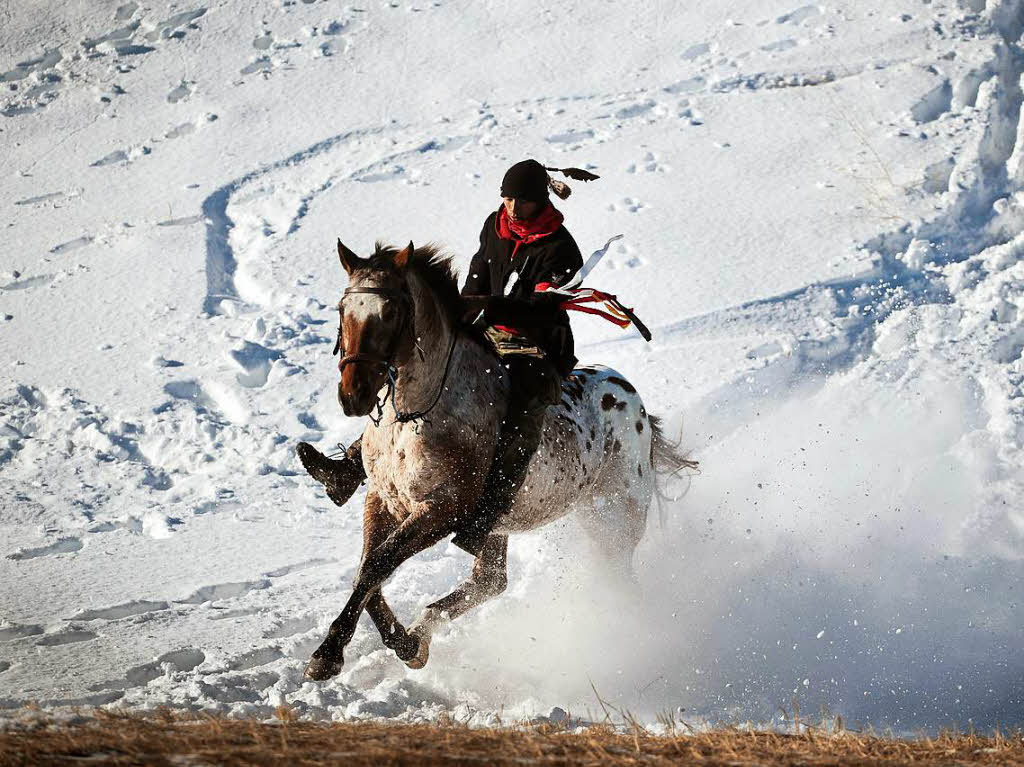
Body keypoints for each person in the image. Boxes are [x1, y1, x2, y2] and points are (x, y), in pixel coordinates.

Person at [297, 159, 591, 554]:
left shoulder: (561, 248)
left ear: (540, 202)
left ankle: (488, 510)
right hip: (486, 329)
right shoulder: (496, 225)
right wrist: (463, 307)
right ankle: (350, 468)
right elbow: (478, 271)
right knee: (416, 370)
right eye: (506, 199)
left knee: (523, 410)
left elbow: (545, 309)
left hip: (536, 346)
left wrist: (490, 307)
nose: (511, 209)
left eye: (520, 202)